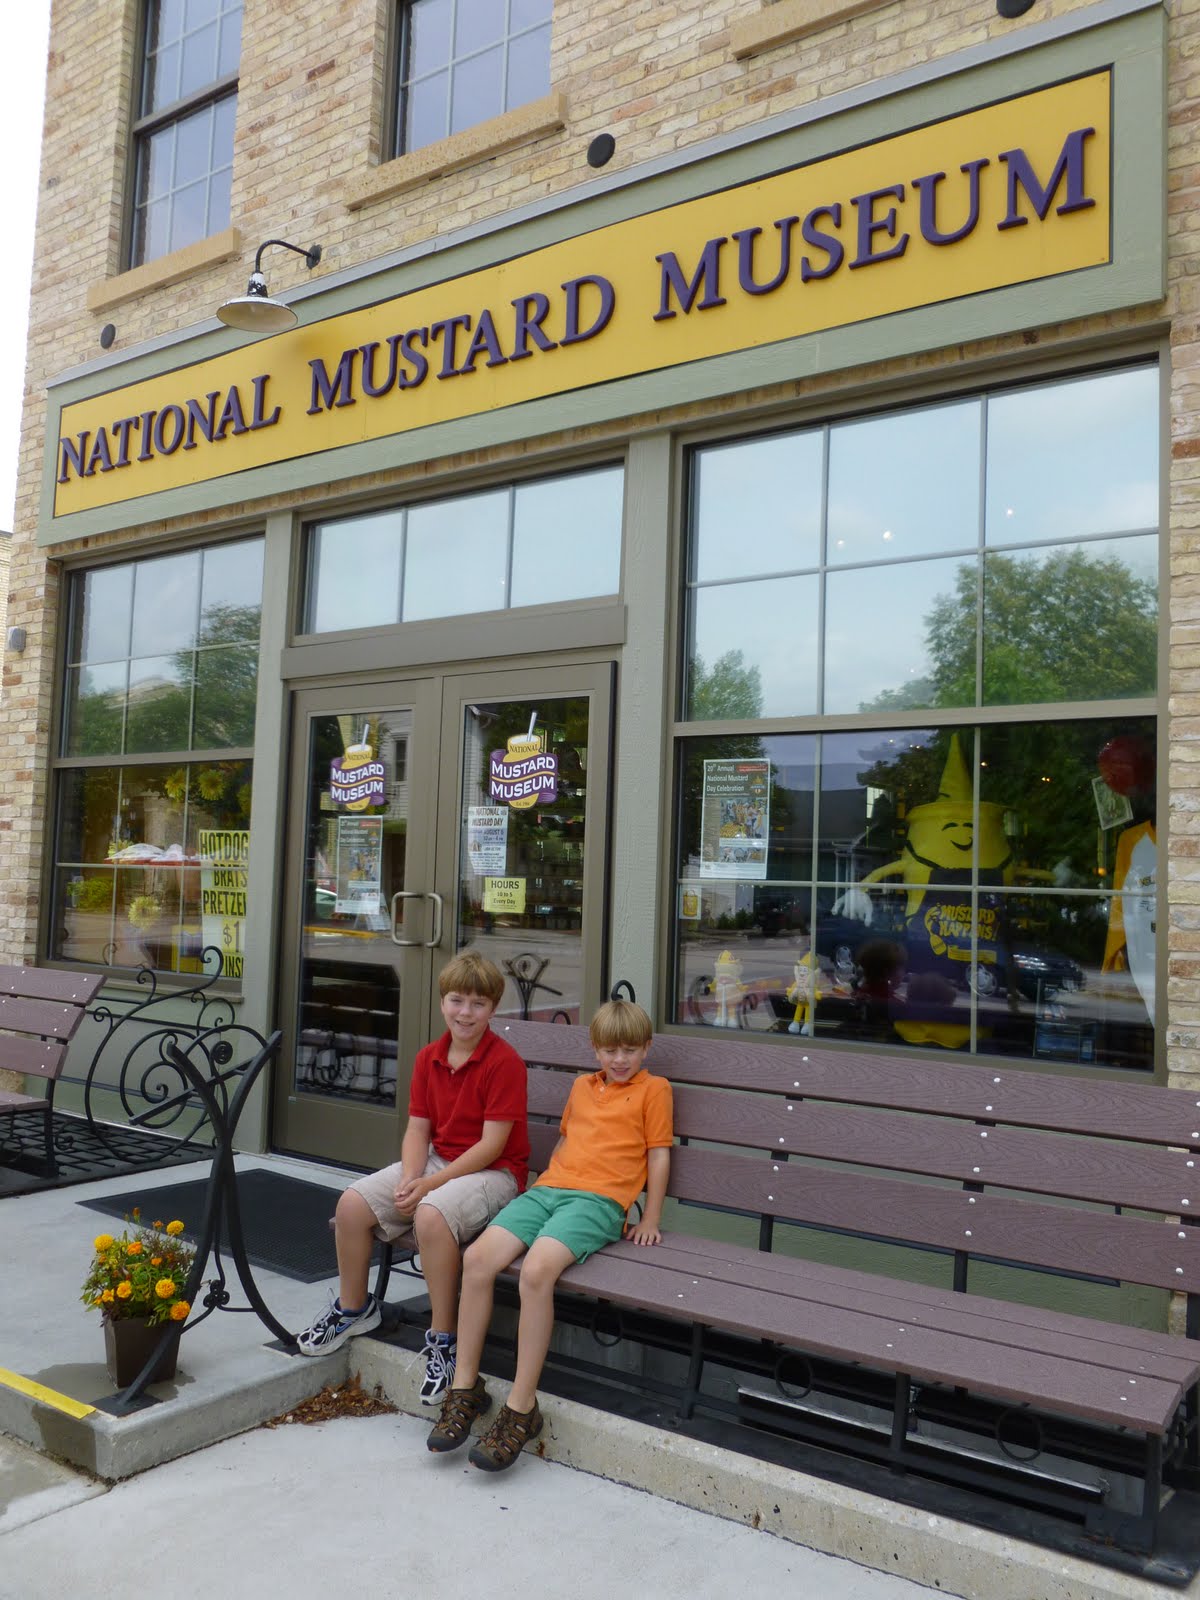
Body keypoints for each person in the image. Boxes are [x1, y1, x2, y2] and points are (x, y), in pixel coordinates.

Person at [425, 998, 672, 1471]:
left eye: (630, 1050)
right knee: (476, 1260)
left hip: (598, 1202)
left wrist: (651, 1217)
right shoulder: (582, 1086)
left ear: (646, 1048)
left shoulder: (654, 1090)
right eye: (610, 1050)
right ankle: (465, 1388)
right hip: (549, 1192)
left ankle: (521, 1408)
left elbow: (658, 1154)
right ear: (595, 1050)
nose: (620, 1059)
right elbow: (565, 1140)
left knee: (536, 1271)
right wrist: (540, 1191)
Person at [296, 950, 529, 1405]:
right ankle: (354, 1308)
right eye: (457, 1000)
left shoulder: (504, 1063)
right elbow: (418, 1129)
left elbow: (492, 1146)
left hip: (495, 1173)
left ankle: (444, 1339)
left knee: (430, 1215)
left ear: (493, 1009)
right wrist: (410, 1177)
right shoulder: (428, 1058)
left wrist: (429, 1186)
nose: (466, 1012)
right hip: (439, 1163)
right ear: (442, 1002)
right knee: (352, 1205)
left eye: (478, 1004)